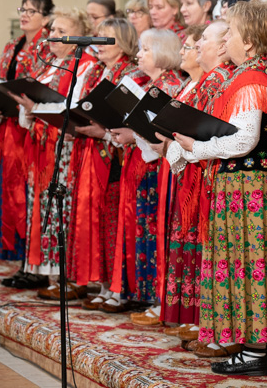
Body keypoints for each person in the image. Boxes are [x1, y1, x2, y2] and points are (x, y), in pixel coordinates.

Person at [168, 0, 267, 376]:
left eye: (232, 33)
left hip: (250, 185)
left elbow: (243, 141)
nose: (226, 40)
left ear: (252, 41)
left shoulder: (252, 78)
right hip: (266, 180)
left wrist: (196, 150)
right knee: (265, 263)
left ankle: (255, 351)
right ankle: (264, 345)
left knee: (250, 262)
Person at [9, 9, 96, 298]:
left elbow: (76, 108)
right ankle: (46, 273)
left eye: (62, 31)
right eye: (53, 30)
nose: (53, 36)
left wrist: (37, 110)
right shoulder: (49, 65)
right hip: (42, 147)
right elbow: (32, 111)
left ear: (78, 37)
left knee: (62, 209)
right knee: (44, 208)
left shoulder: (84, 65)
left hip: (67, 148)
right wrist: (28, 110)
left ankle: (64, 275)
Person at [162, 21, 235, 342]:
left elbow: (209, 129)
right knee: (193, 239)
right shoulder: (208, 80)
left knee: (204, 241)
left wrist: (177, 142)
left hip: (207, 168)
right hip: (196, 166)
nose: (196, 45)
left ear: (222, 47)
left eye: (203, 40)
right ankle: (197, 315)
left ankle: (207, 318)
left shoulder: (219, 80)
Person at [68, 18, 147, 305]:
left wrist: (105, 132)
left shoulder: (134, 74)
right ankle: (103, 285)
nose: (98, 42)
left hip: (121, 155)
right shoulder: (94, 71)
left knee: (115, 221)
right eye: (97, 36)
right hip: (93, 151)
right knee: (100, 220)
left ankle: (119, 287)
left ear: (123, 42)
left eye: (106, 37)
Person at [106, 29, 183, 317]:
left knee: (155, 231)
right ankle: (149, 295)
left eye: (146, 50)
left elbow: (163, 136)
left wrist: (134, 133)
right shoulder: (152, 83)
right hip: (143, 166)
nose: (138, 54)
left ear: (163, 54)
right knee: (145, 232)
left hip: (160, 168)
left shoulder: (170, 86)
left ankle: (160, 299)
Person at [0, 0, 52, 288]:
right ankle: (22, 262)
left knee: (28, 197)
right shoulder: (13, 45)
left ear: (46, 17)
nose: (25, 15)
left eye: (32, 10)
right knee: (12, 196)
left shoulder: (47, 46)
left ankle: (35, 265)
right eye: (22, 9)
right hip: (9, 128)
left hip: (31, 132)